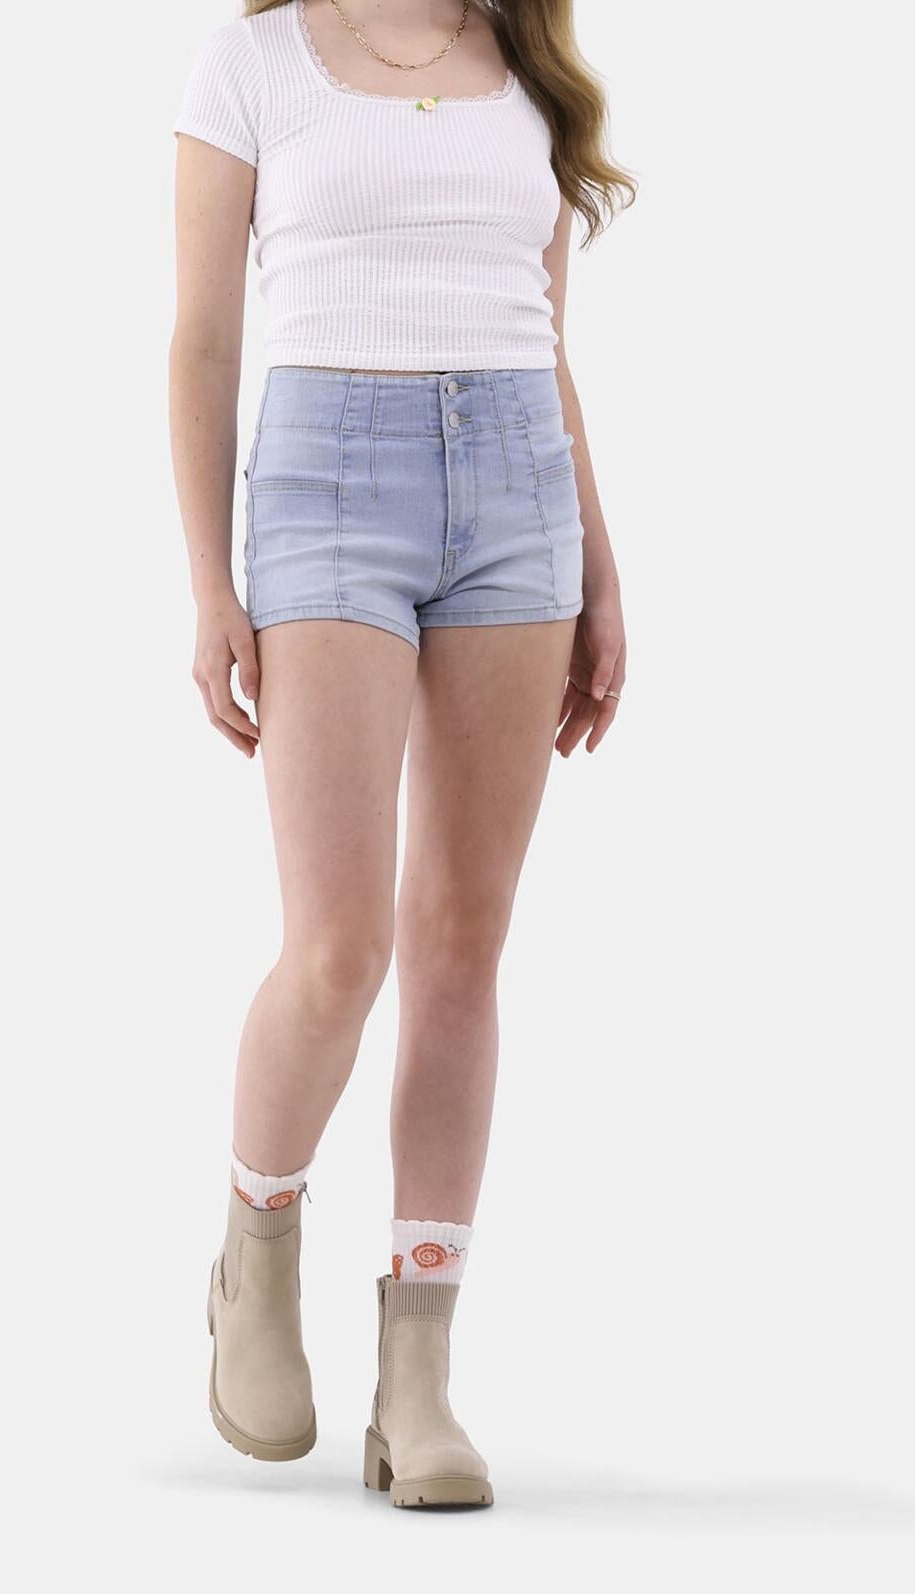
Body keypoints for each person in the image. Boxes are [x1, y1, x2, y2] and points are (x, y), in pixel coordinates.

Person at [169, 0, 632, 1510]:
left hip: (517, 492)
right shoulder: (253, 63)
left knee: (458, 950)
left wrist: (600, 565)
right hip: (324, 485)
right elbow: (204, 335)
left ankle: (418, 1379)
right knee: (337, 950)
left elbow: (543, 337)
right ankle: (256, 1252)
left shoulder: (525, 64)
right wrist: (208, 583)